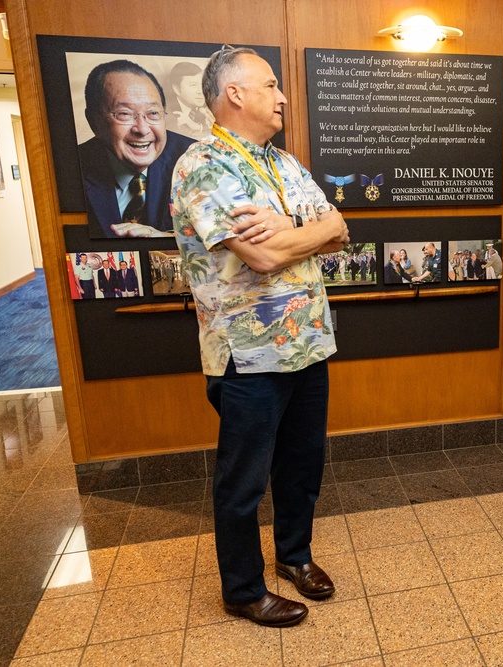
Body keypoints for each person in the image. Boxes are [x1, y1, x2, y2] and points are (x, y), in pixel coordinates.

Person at [171, 45, 349, 629]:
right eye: (270, 85)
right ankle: (243, 589)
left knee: (302, 465)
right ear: (234, 95)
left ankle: (295, 556)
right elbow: (264, 256)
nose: (282, 96)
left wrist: (295, 224)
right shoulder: (203, 166)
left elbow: (341, 230)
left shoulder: (287, 165)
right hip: (247, 357)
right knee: (242, 480)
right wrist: (304, 232)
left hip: (308, 346)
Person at [79, 59, 194, 238]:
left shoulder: (195, 160)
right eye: (124, 114)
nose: (142, 129)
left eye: (153, 113)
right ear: (94, 122)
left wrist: (166, 240)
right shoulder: (71, 168)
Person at [165, 61, 215, 138]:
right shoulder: (166, 111)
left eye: (203, 84)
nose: (201, 91)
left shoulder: (211, 106)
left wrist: (198, 127)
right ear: (177, 89)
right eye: (193, 85)